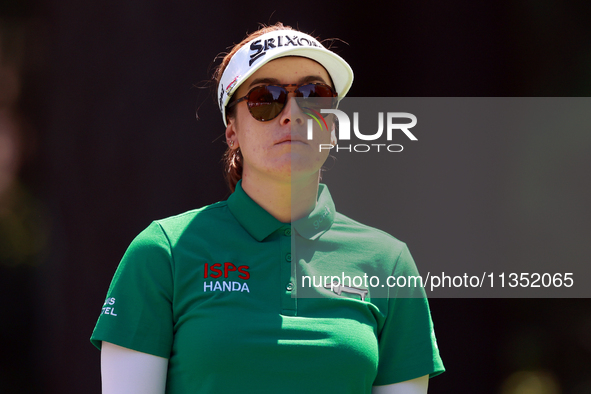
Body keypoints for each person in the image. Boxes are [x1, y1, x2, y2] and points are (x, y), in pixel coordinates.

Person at [91, 22, 444, 394]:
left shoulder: (388, 261)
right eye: (266, 99)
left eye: (314, 95)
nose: (293, 113)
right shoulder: (163, 252)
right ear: (232, 130)